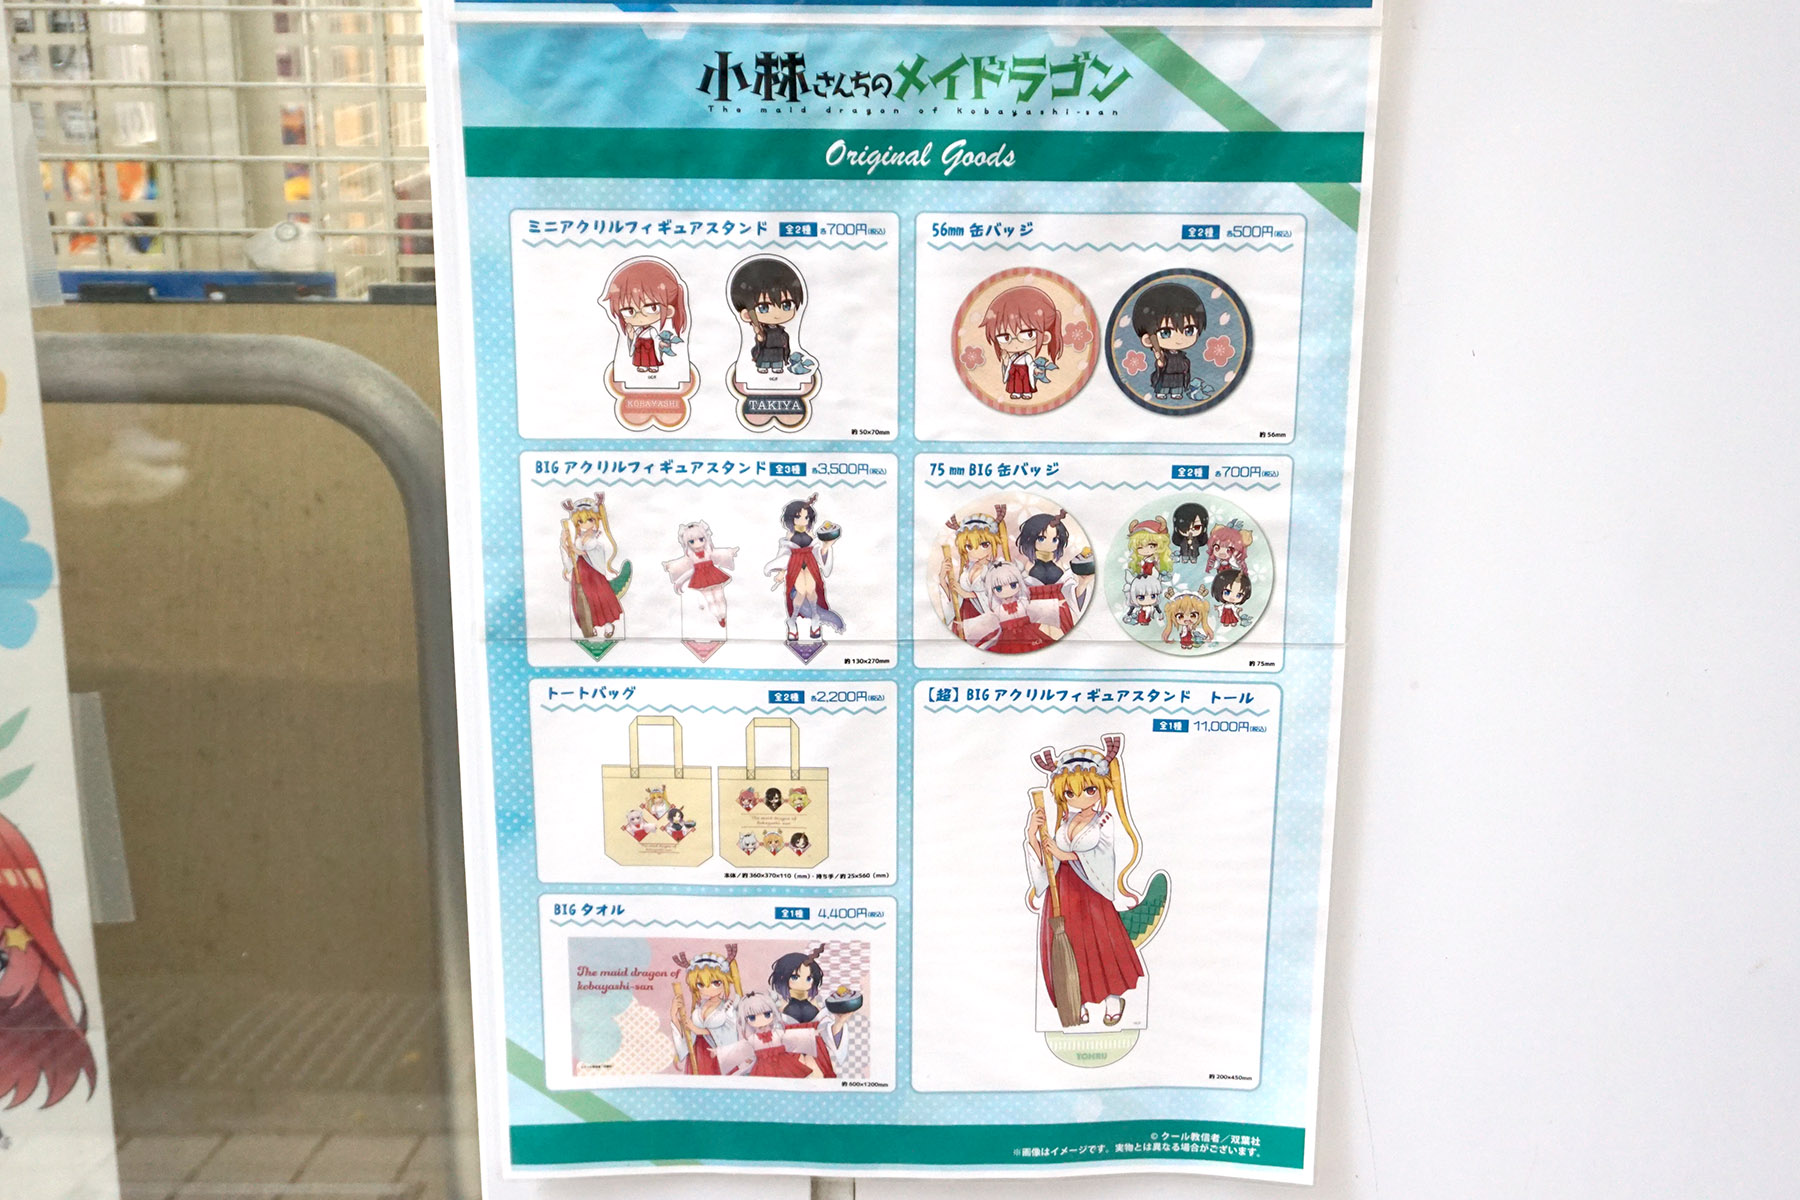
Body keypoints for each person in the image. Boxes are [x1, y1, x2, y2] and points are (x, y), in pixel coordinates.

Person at [1022, 740, 1147, 1027]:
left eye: (1089, 790)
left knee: (1100, 943)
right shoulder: (1064, 823)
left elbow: (1102, 855)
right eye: (1070, 792)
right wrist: (1033, 835)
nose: (1079, 798)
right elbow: (1048, 860)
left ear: (1101, 788)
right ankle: (1075, 998)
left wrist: (1064, 854)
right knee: (1072, 945)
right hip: (1063, 891)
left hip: (1091, 892)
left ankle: (1113, 998)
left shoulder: (1103, 820)